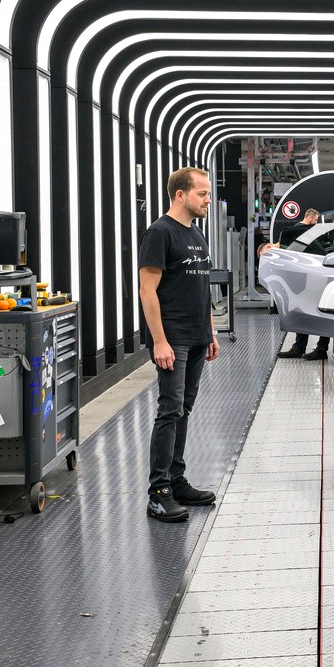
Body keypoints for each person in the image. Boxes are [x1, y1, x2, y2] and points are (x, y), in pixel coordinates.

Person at [138, 166, 220, 523]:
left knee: (183, 409)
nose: (207, 199)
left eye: (208, 193)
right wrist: (159, 341)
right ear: (180, 195)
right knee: (169, 410)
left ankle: (176, 479)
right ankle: (158, 493)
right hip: (172, 339)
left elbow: (201, 289)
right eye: (202, 193)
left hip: (197, 337)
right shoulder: (160, 233)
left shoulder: (196, 234)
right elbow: (147, 290)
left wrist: (211, 332)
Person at [258, 208, 331, 360]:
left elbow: (318, 252)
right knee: (301, 308)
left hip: (320, 275)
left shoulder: (287, 235)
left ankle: (321, 348)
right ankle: (299, 347)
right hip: (308, 278)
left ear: (269, 247)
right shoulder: (285, 248)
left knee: (323, 310)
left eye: (266, 254)